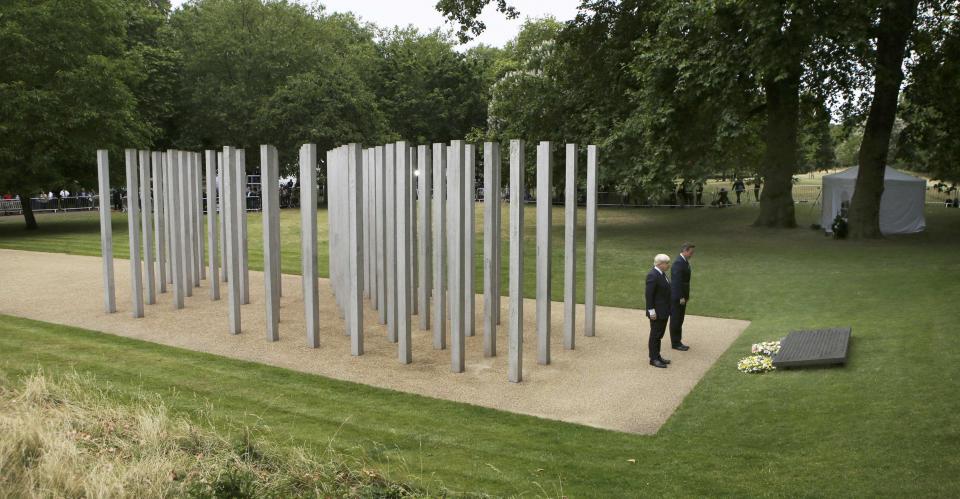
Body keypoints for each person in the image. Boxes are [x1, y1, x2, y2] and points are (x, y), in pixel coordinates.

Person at [645, 254, 673, 368]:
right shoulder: (653, 275)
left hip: (663, 310)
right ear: (660, 264)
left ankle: (657, 355)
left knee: (659, 335)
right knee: (655, 335)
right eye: (667, 263)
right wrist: (651, 311)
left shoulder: (662, 274)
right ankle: (653, 359)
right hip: (657, 312)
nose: (668, 265)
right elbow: (649, 295)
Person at [670, 243, 695, 352]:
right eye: (691, 252)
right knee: (676, 319)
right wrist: (681, 297)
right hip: (677, 297)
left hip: (683, 295)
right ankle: (675, 343)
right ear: (685, 251)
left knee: (680, 319)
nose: (692, 254)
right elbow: (676, 282)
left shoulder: (683, 262)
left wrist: (686, 296)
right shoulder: (678, 263)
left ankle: (677, 341)